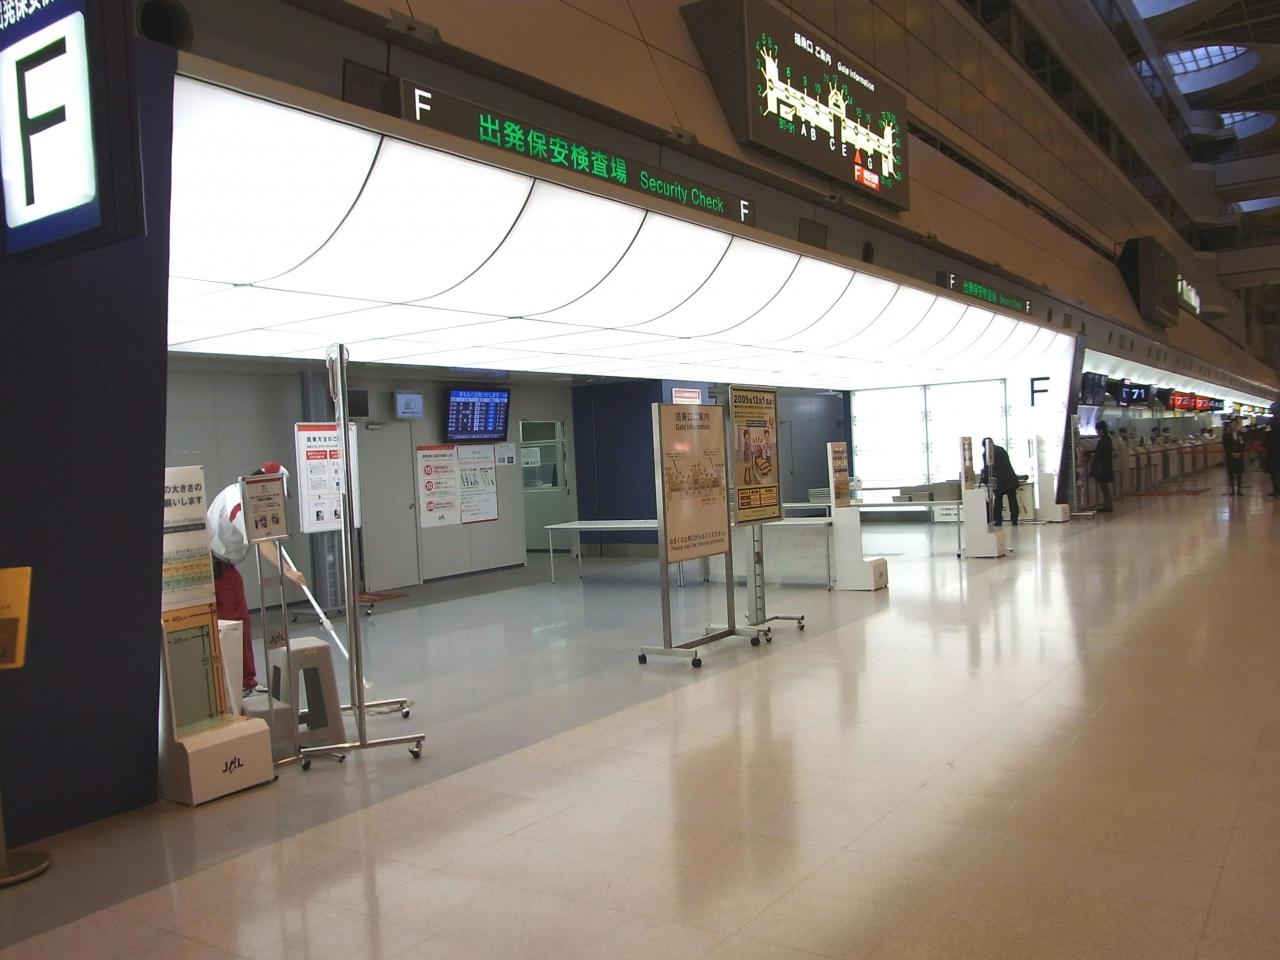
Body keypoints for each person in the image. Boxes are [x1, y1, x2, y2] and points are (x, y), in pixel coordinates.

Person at [208, 462, 306, 694]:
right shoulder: (240, 503)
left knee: (231, 625)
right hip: (216, 567)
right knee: (235, 625)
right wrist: (287, 571)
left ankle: (239, 683)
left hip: (219, 565)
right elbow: (261, 541)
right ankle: (242, 683)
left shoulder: (243, 493)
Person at [979, 438, 1020, 526]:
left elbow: (987, 468)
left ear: (984, 445)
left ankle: (998, 520)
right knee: (1012, 499)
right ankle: (1014, 520)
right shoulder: (1001, 449)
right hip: (1010, 477)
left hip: (998, 480)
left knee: (998, 500)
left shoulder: (986, 453)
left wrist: (984, 480)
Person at [1090, 422, 1115, 512]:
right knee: (1104, 486)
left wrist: (1091, 453)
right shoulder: (1107, 439)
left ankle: (1108, 505)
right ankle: (1107, 504)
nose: (1097, 432)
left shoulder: (1105, 439)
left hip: (1103, 467)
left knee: (1104, 486)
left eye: (1098, 430)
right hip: (1106, 466)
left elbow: (1100, 452)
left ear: (1102, 430)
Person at [1223, 420, 1246, 496]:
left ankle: (1239, 490)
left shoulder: (1241, 434)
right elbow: (1225, 446)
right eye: (1232, 424)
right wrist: (1232, 453)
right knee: (1231, 474)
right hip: (1230, 456)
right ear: (1230, 425)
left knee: (1239, 473)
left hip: (1239, 456)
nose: (1234, 425)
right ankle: (1232, 490)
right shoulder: (1226, 434)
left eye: (1236, 424)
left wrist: (1240, 452)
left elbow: (1243, 444)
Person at [1267, 423, 1280, 498]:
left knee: (1274, 474)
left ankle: (1276, 491)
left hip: (1272, 456)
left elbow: (1265, 444)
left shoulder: (1270, 433)